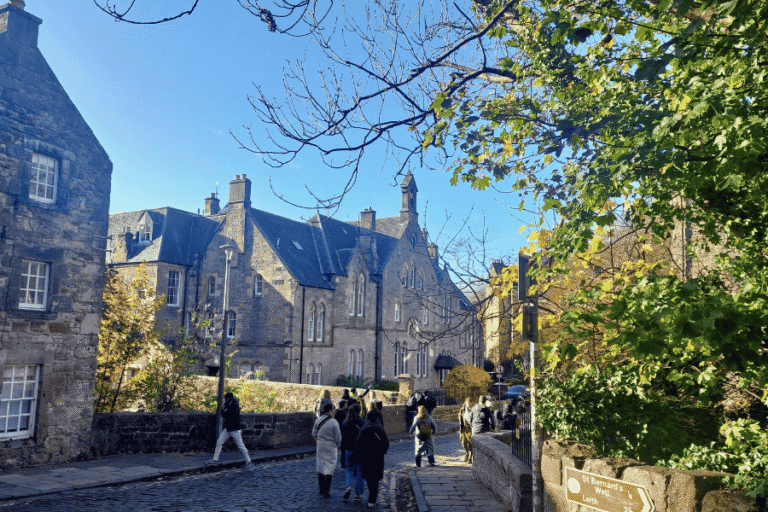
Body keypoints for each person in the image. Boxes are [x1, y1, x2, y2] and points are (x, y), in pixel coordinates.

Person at [207, 392, 255, 470]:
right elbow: (226, 412)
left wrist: (222, 410)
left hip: (235, 429)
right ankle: (215, 459)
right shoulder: (230, 404)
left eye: (225, 399)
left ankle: (249, 461)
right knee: (219, 441)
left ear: (228, 398)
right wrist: (222, 409)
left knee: (240, 446)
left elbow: (229, 415)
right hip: (228, 428)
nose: (225, 401)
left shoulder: (234, 405)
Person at [353, 409, 390, 508]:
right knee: (375, 480)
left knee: (369, 479)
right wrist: (381, 452)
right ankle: (372, 500)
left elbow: (358, 444)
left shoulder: (364, 429)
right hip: (377, 458)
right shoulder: (380, 429)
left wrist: (359, 456)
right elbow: (386, 443)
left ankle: (371, 498)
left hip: (366, 458)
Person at [312, 402, 342, 498]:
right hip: (331, 446)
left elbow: (313, 433)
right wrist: (338, 446)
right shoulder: (334, 422)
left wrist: (319, 439)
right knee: (329, 467)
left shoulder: (318, 420)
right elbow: (338, 437)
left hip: (320, 446)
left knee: (320, 466)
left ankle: (321, 489)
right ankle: (327, 490)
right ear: (329, 410)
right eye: (333, 409)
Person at [340, 403, 365, 501]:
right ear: (359, 411)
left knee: (348, 469)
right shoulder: (362, 422)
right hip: (359, 450)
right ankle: (358, 495)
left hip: (348, 449)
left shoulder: (345, 422)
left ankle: (348, 487)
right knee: (359, 472)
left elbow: (343, 436)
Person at [458, 398, 473, 463]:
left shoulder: (473, 410)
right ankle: (467, 453)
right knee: (463, 443)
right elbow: (459, 417)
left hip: (470, 429)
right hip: (464, 429)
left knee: (470, 444)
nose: (468, 405)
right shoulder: (462, 410)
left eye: (469, 403)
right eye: (467, 403)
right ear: (465, 404)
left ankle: (470, 456)